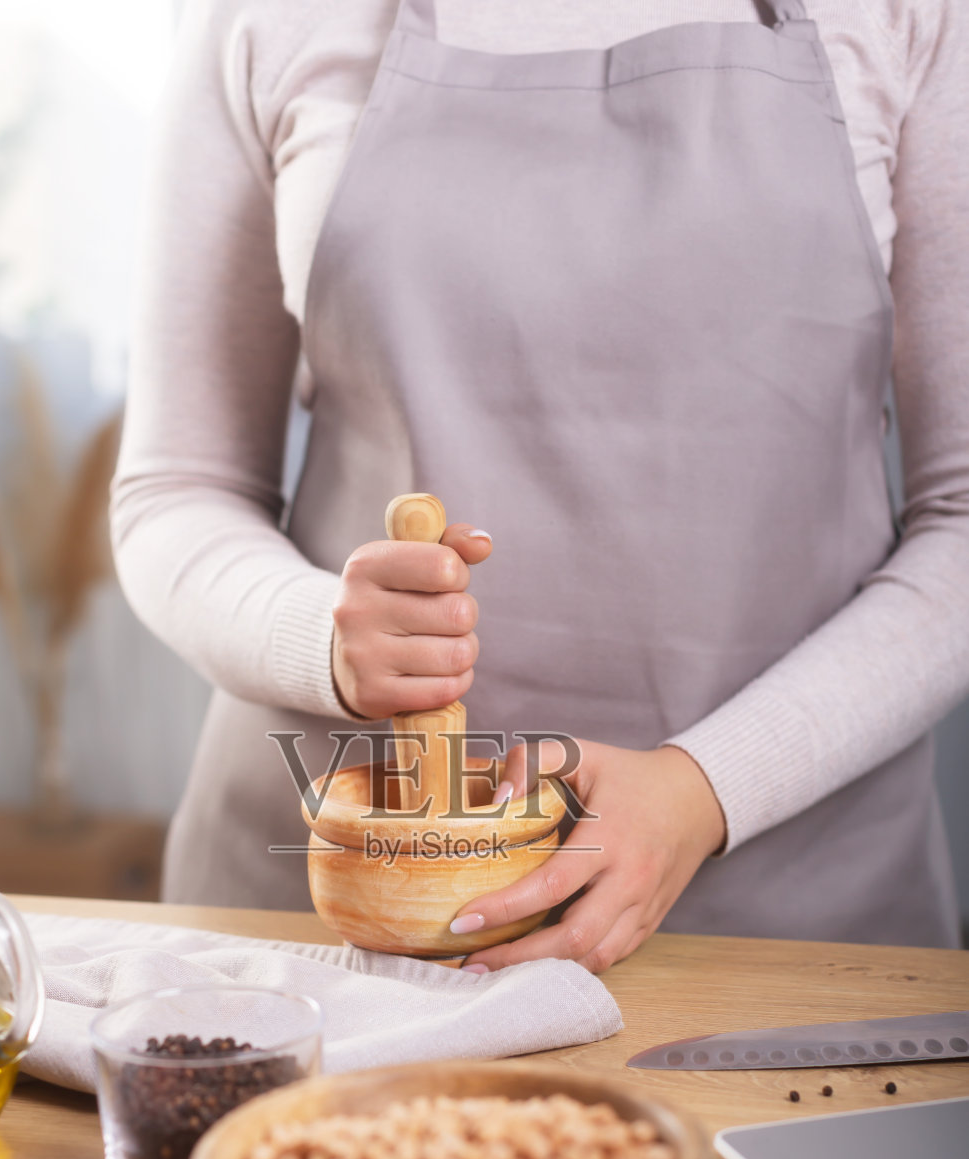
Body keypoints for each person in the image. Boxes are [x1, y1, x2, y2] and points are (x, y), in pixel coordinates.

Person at [111, 0, 969, 972]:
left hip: (783, 928)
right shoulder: (265, 19)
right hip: (336, 926)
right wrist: (321, 637)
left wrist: (703, 789)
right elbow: (177, 488)